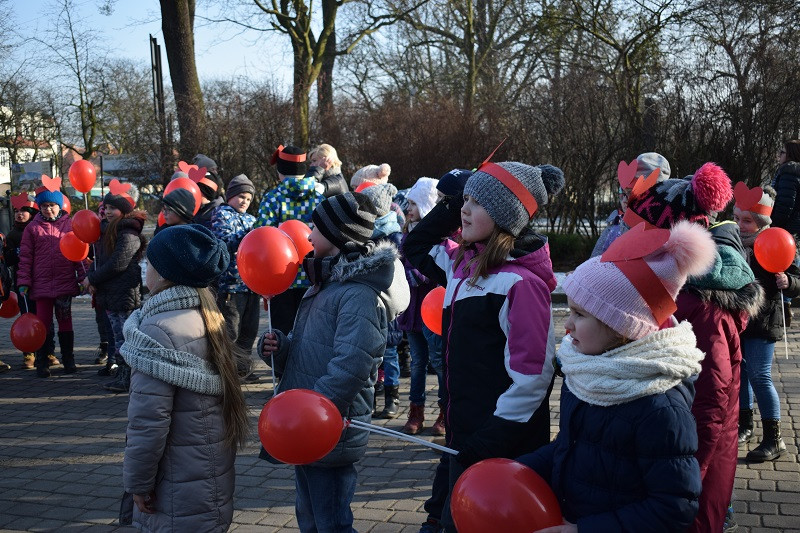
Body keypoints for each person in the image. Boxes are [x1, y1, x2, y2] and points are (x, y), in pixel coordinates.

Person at [519, 220, 714, 531]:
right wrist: (518, 469)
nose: (567, 325)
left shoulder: (659, 408)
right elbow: (569, 448)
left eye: (580, 314)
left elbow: (673, 507)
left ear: (621, 326)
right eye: (569, 311)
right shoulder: (584, 372)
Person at [404, 161, 565, 533]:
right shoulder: (461, 265)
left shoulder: (520, 284)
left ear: (505, 214)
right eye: (465, 200)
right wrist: (457, 199)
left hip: (499, 443)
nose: (464, 209)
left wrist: (490, 438)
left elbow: (533, 376)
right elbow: (415, 244)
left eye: (477, 203)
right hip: (466, 437)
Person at [624, 163, 764, 532]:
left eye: (639, 230)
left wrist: (683, 481)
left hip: (688, 485)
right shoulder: (672, 291)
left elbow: (707, 408)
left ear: (667, 239)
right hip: (670, 467)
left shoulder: (702, 310)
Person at [258, 192, 410, 532]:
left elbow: (355, 361)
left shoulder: (357, 294)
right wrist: (280, 348)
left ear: (339, 235)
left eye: (315, 227)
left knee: (332, 522)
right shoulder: (324, 283)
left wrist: (318, 411)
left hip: (329, 424)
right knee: (309, 515)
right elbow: (308, 347)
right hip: (306, 421)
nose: (308, 235)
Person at [121, 224, 249, 531]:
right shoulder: (208, 314)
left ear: (165, 274)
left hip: (173, 487)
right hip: (206, 477)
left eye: (148, 263)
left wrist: (138, 483)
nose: (143, 268)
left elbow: (148, 423)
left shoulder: (156, 331)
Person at [733, 184, 798, 462]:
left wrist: (789, 281)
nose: (739, 224)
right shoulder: (734, 243)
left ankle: (775, 438)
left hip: (765, 320)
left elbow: (796, 277)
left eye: (746, 220)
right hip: (741, 320)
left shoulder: (775, 241)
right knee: (743, 373)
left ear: (760, 222)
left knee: (760, 375)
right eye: (736, 218)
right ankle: (744, 424)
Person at [17, 181, 88, 377]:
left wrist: (83, 279)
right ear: (39, 207)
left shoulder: (70, 225)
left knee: (65, 321)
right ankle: (43, 359)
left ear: (59, 206)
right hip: (41, 286)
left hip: (64, 283)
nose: (48, 209)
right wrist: (24, 282)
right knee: (43, 323)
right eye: (44, 206)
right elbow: (25, 258)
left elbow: (79, 255)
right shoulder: (32, 228)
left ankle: (68, 359)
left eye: (52, 205)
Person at [82, 187, 147, 393]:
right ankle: (122, 373)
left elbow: (117, 263)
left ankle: (129, 376)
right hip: (109, 293)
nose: (108, 211)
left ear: (125, 210)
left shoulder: (128, 232)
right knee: (117, 336)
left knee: (126, 336)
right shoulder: (107, 230)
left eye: (114, 208)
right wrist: (91, 277)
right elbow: (99, 259)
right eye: (106, 207)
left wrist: (93, 277)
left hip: (124, 293)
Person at [255, 144, 323, 335]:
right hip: (314, 277)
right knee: (311, 335)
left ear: (280, 172)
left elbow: (262, 238)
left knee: (281, 337)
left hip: (280, 278)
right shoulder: (319, 198)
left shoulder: (272, 199)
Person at [396, 176, 445, 435]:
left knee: (438, 361)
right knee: (417, 363)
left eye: (413, 204)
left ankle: (445, 412)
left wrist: (406, 271)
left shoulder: (436, 239)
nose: (408, 209)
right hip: (412, 310)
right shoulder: (406, 235)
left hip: (432, 311)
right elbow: (403, 265)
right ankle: (416, 412)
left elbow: (429, 271)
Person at [211, 174, 261, 380]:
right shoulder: (221, 215)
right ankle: (228, 369)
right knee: (232, 329)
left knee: (250, 329)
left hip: (251, 285)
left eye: (248, 199)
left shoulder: (252, 219)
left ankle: (243, 367)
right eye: (240, 196)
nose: (244, 202)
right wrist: (250, 237)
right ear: (230, 196)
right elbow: (224, 241)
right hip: (231, 286)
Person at [361, 183, 405, 418]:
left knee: (389, 353)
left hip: (388, 305)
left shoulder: (392, 235)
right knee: (371, 355)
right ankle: (373, 398)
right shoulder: (364, 233)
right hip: (369, 303)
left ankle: (392, 397)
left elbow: (400, 271)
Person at [591, 152, 671, 257]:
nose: (624, 199)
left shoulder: (670, 229)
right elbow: (594, 260)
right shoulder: (615, 225)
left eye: (631, 193)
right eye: (622, 191)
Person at [4, 192, 40, 369]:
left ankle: (46, 351)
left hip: (41, 280)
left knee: (43, 316)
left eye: (24, 210)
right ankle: (29, 353)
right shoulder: (12, 235)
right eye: (17, 211)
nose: (20, 214)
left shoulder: (38, 229)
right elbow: (8, 259)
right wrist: (17, 252)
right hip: (22, 281)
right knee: (27, 314)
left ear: (32, 213)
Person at [771, 139, 800, 238]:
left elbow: (785, 205)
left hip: (786, 231)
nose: (779, 155)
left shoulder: (789, 173)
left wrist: (773, 224)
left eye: (782, 152)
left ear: (791, 154)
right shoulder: (795, 174)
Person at [191, 154, 225, 229]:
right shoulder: (192, 209)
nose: (215, 173)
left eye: (216, 169)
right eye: (212, 170)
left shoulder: (220, 212)